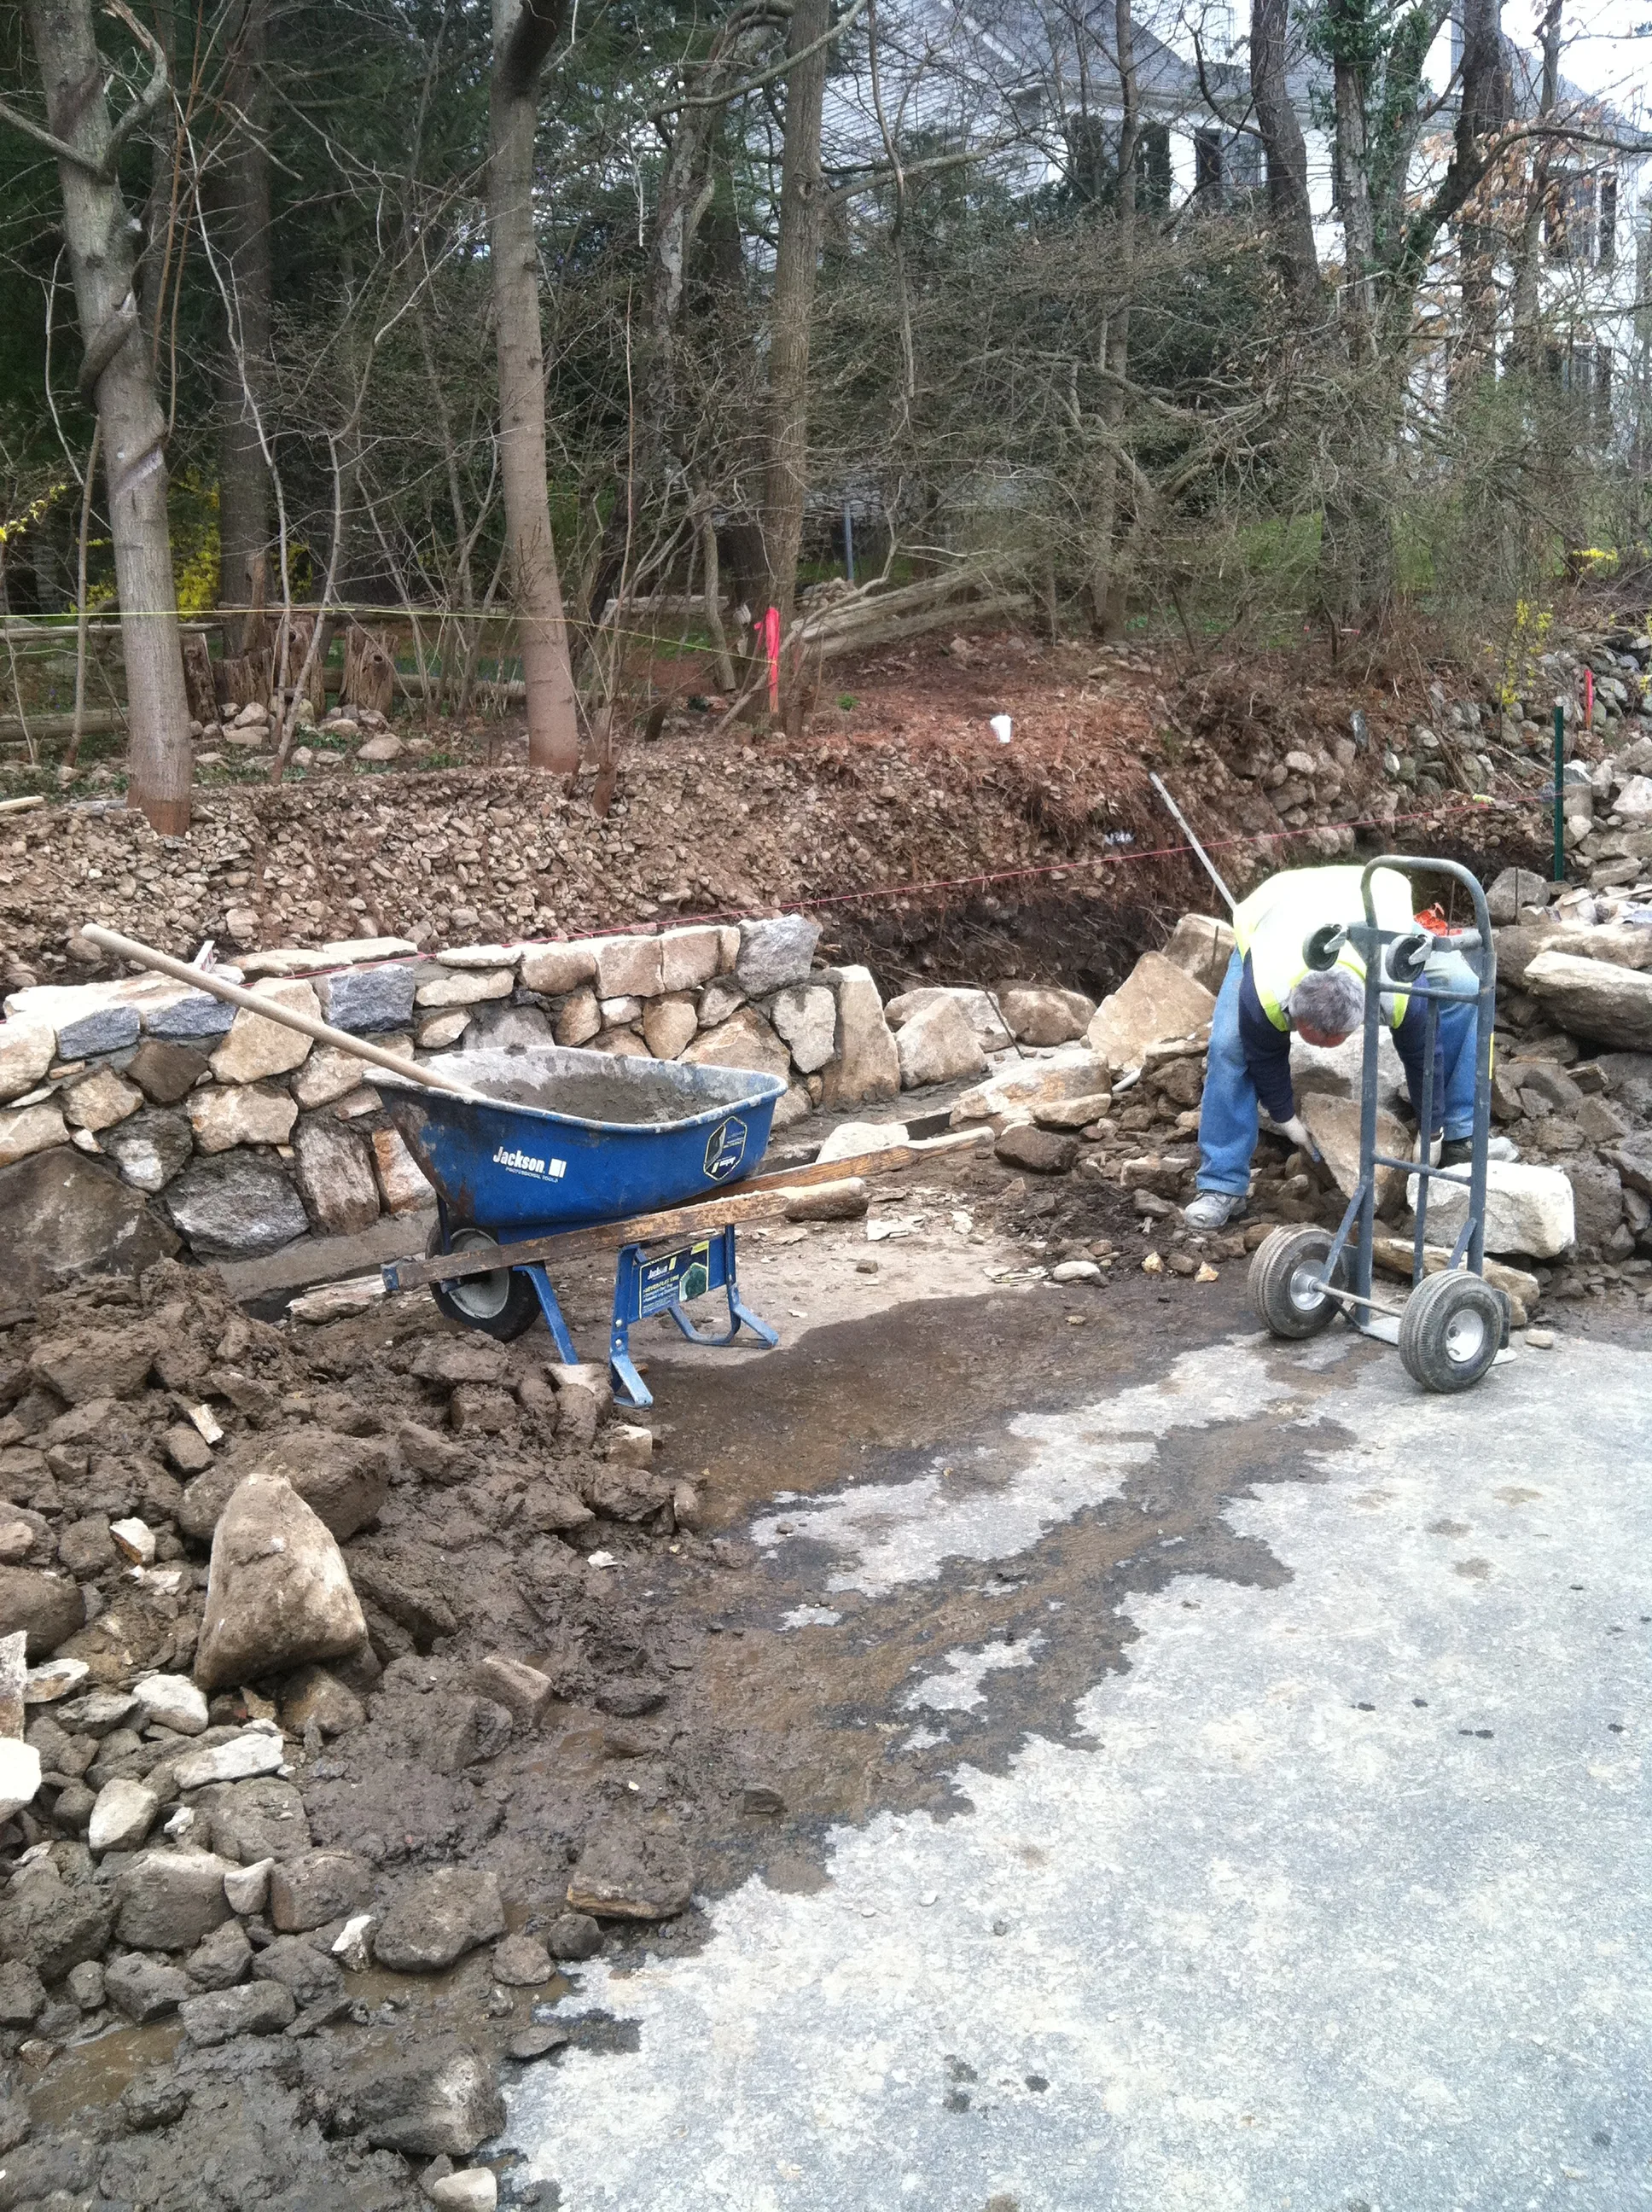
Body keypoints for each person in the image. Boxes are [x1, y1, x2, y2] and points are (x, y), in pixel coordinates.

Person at [1184, 863, 1479, 1231]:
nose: (1324, 1048)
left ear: (1364, 1013)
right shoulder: (1267, 986)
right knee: (1229, 1044)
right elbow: (1264, 1051)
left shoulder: (1399, 988)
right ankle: (1222, 1184)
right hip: (1276, 913)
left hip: (1374, 907)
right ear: (1293, 1008)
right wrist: (1284, 1115)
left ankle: (1460, 1135)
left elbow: (1423, 1055)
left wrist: (1431, 1129)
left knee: (1464, 988)